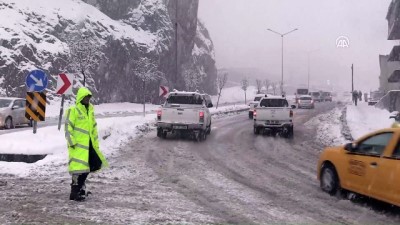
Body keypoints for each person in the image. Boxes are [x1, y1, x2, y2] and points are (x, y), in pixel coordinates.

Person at [64, 87, 108, 201]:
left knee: (90, 167)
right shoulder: (73, 110)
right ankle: (75, 193)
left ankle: (81, 190)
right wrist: (71, 142)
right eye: (86, 97)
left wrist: (96, 144)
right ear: (80, 98)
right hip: (77, 146)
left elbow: (93, 129)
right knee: (78, 171)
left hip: (89, 146)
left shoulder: (90, 111)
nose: (88, 99)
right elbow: (68, 128)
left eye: (89, 97)